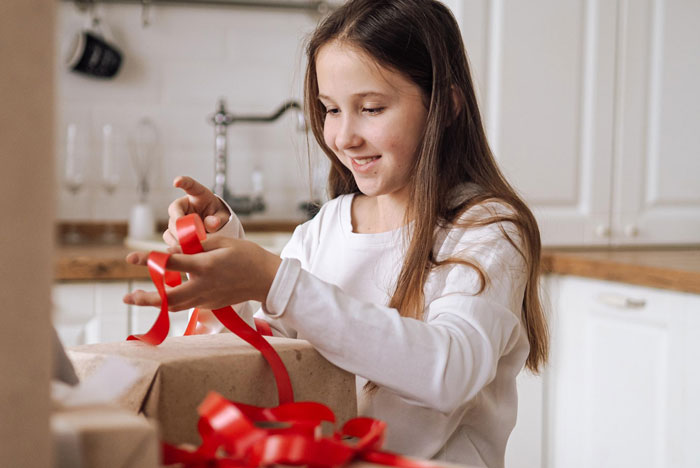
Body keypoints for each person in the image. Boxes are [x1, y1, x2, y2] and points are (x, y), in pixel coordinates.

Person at [123, 1, 549, 467]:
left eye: (370, 108)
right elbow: (278, 341)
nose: (343, 136)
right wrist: (226, 253)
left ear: (445, 106)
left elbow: (448, 373)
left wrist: (273, 280)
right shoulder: (328, 225)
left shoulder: (487, 230)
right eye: (329, 109)